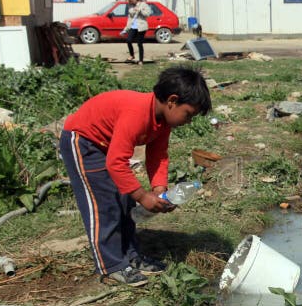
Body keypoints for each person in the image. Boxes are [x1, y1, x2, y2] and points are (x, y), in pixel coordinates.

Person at [60, 67, 212, 286]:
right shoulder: (136, 114)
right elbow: (115, 162)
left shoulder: (162, 121)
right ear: (172, 100)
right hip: (84, 142)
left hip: (107, 146)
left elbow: (158, 155)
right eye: (188, 114)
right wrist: (143, 196)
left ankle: (131, 256)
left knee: (124, 202)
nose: (188, 121)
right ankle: (111, 266)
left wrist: (159, 189)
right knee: (104, 206)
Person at [122, 0, 151, 65]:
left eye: (131, 0)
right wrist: (126, 29)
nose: (131, 2)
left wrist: (140, 10)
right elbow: (129, 18)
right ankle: (132, 55)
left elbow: (148, 14)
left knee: (139, 43)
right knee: (128, 40)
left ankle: (141, 60)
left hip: (141, 27)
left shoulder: (143, 4)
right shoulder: (130, 6)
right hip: (133, 26)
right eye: (130, 1)